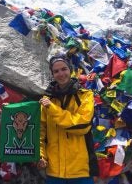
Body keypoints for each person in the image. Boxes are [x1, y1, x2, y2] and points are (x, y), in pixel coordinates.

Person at [38, 55, 99, 184]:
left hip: (80, 170)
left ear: (70, 69)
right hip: (54, 171)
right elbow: (40, 132)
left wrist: (53, 109)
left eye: (64, 69)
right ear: (52, 74)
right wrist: (41, 155)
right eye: (56, 71)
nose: (61, 74)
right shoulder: (47, 99)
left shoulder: (85, 95)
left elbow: (82, 126)